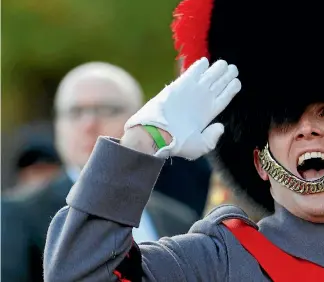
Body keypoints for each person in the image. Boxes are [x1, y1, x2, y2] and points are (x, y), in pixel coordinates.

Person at [44, 0, 324, 281]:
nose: (306, 130)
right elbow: (76, 272)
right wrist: (144, 139)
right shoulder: (209, 264)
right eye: (282, 119)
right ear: (261, 163)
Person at [2, 62, 207, 282]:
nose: (89, 124)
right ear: (57, 125)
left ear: (141, 117)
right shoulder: (17, 215)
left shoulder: (177, 218)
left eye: (107, 109)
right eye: (75, 112)